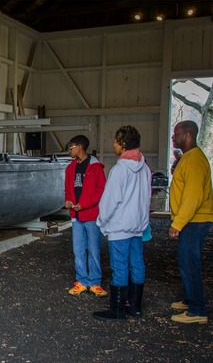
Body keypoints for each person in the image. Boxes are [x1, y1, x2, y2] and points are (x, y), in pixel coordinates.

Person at [93, 126, 151, 320]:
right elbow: (146, 197)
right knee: (137, 264)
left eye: (115, 142)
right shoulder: (145, 168)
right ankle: (134, 307)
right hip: (137, 226)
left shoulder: (120, 169)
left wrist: (102, 221)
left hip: (119, 227)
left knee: (119, 266)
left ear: (123, 144)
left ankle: (117, 310)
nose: (114, 145)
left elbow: (110, 200)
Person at [168, 120, 213, 324]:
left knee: (190, 263)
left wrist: (178, 223)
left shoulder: (194, 160)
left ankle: (197, 310)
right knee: (186, 261)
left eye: (176, 133)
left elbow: (193, 196)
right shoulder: (189, 158)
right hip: (192, 220)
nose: (173, 137)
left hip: (194, 221)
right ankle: (190, 300)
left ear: (187, 135)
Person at [64, 135, 107, 297]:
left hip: (91, 215)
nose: (70, 149)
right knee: (78, 250)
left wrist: (84, 204)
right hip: (76, 216)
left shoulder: (96, 167)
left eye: (72, 146)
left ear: (80, 147)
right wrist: (68, 201)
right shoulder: (70, 168)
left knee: (94, 250)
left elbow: (100, 191)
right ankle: (81, 280)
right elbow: (68, 189)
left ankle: (95, 282)